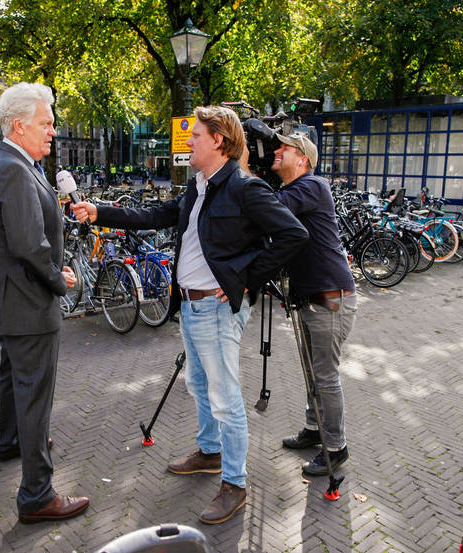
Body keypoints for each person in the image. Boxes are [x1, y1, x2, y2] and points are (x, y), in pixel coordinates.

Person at [72, 106, 308, 525]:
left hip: (217, 310)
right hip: (191, 305)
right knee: (199, 384)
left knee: (226, 399)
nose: (189, 140)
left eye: (196, 134)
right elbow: (153, 216)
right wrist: (100, 211)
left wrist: (246, 279)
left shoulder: (244, 188)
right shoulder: (199, 186)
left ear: (219, 140)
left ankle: (235, 484)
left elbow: (293, 234)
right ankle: (210, 453)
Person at [0, 82, 88, 524]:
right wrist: (57, 279)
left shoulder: (11, 162)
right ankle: (37, 494)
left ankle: (9, 442)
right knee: (35, 393)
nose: (53, 131)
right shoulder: (14, 170)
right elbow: (28, 244)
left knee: (12, 377)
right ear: (19, 125)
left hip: (13, 300)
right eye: (46, 123)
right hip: (30, 301)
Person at [245, 132, 357, 477]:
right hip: (313, 297)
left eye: (284, 148)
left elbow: (270, 210)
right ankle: (314, 429)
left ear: (303, 159)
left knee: (325, 376)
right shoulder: (297, 190)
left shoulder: (313, 185)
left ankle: (336, 448)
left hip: (330, 299)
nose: (276, 151)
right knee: (312, 371)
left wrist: (246, 170)